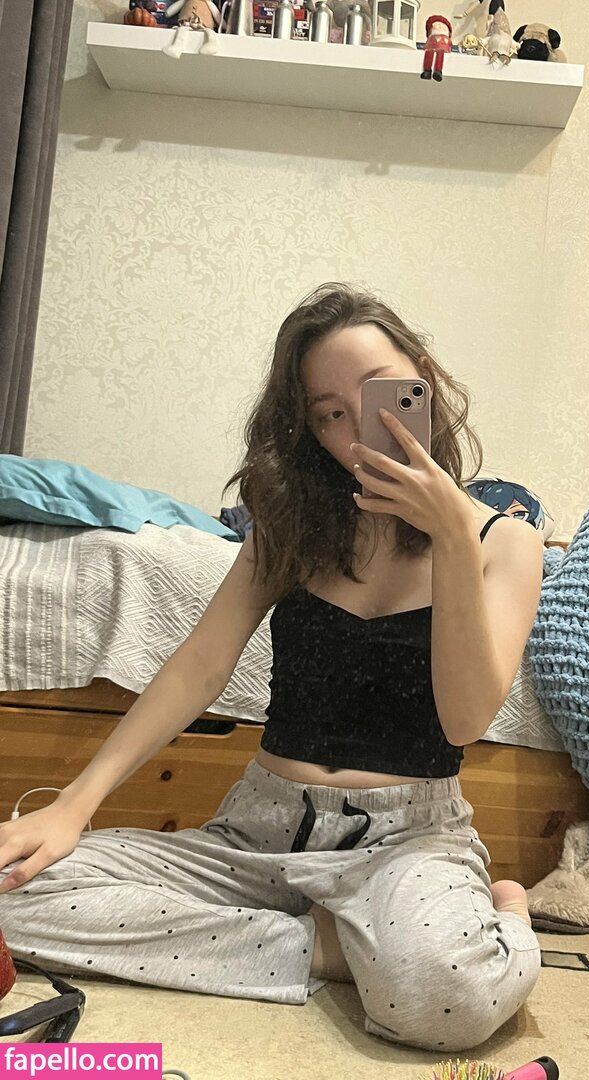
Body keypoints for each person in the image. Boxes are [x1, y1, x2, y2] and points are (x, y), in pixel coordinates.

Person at [0, 283, 544, 1052]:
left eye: (378, 393)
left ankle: (504, 916)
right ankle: (329, 949)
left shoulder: (504, 543)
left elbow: (464, 719)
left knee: (445, 998)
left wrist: (451, 532)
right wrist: (72, 806)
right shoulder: (294, 526)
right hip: (260, 832)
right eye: (329, 414)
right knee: (11, 893)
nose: (358, 430)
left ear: (422, 379)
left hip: (408, 842)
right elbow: (200, 664)